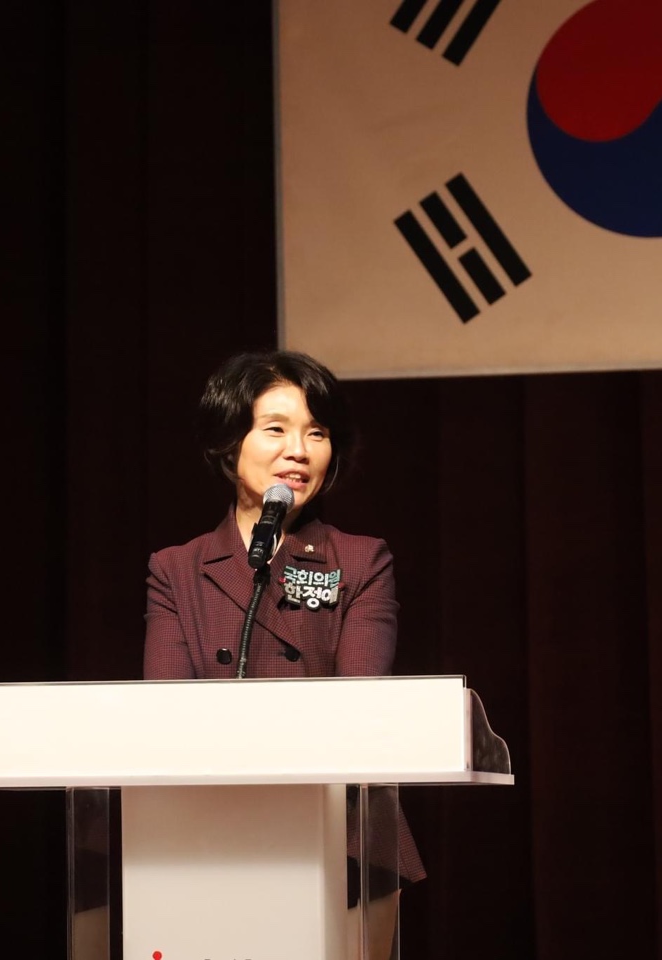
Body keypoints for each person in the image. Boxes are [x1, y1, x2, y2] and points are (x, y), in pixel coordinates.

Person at [143, 350, 422, 951]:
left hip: (342, 833)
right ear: (229, 444)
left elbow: (361, 707)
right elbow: (165, 714)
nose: (299, 450)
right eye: (276, 429)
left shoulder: (360, 561)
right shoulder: (176, 569)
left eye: (316, 433)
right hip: (204, 831)